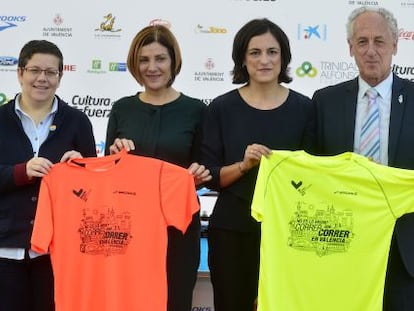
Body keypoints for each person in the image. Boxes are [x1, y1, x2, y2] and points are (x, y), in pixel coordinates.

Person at [201, 18, 315, 311]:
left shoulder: (305, 109)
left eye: (272, 52)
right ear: (242, 58)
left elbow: (314, 174)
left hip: (289, 234)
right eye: (255, 52)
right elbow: (210, 176)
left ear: (284, 57)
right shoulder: (221, 108)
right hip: (232, 233)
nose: (264, 60)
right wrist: (244, 165)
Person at [312, 6, 414, 311]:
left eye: (379, 41)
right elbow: (315, 170)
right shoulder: (325, 102)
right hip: (342, 241)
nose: (371, 51)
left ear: (396, 45)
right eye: (362, 42)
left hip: (403, 247)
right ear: (350, 48)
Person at [104, 25, 211, 311]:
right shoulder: (121, 108)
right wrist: (114, 156)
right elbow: (105, 174)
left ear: (173, 61)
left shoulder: (196, 110)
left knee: (176, 301)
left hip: (179, 228)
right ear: (134, 64)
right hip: (129, 228)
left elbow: (205, 167)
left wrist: (199, 175)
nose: (152, 67)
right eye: (144, 60)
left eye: (160, 59)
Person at [0, 40, 97, 311]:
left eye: (50, 72)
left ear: (60, 77)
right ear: (20, 73)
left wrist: (82, 172)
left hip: (57, 253)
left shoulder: (77, 122)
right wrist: (22, 172)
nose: (42, 78)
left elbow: (93, 193)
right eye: (34, 70)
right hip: (5, 252)